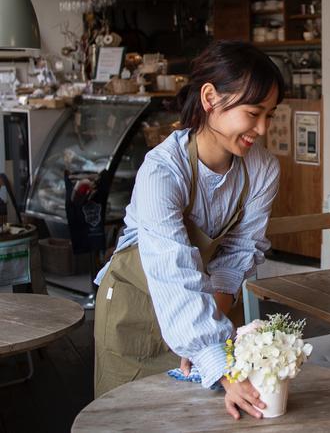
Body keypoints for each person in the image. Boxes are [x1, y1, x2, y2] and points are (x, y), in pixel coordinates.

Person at [93, 41, 283, 420]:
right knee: (129, 421)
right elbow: (173, 269)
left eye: (270, 115)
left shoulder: (262, 170)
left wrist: (206, 334)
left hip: (204, 309)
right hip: (135, 308)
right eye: (253, 113)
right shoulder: (162, 171)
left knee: (201, 421)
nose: (262, 128)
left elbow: (239, 253)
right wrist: (218, 360)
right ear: (210, 98)